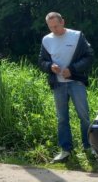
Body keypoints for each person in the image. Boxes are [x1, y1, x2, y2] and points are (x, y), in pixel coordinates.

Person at [39, 12, 95, 162]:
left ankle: (89, 147)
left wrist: (73, 69)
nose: (54, 30)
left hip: (76, 82)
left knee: (84, 116)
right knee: (62, 118)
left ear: (63, 22)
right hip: (58, 84)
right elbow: (42, 61)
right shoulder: (46, 40)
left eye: (56, 26)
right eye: (51, 27)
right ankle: (66, 150)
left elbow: (89, 56)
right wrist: (51, 66)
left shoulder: (77, 36)